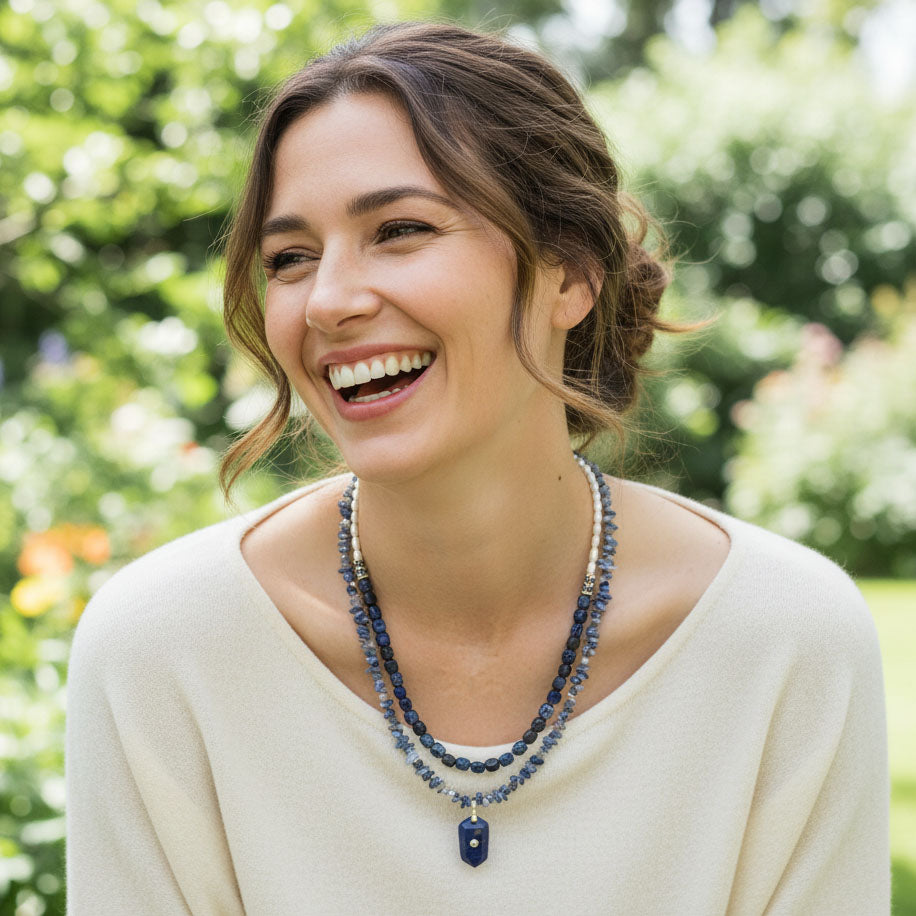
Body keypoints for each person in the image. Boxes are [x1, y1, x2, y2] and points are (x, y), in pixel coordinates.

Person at [64, 20, 890, 914]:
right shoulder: (162, 652)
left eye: (401, 229)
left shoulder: (784, 643)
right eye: (290, 258)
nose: (331, 301)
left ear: (569, 274)